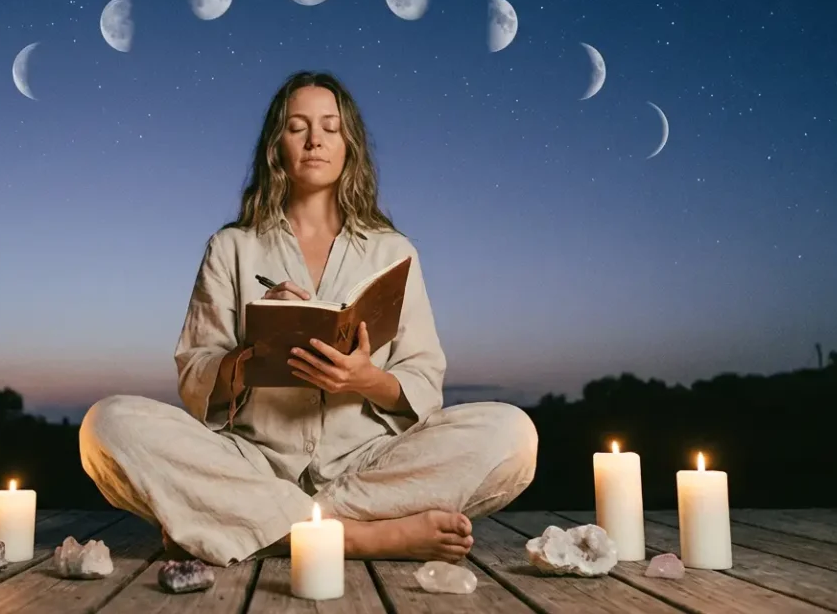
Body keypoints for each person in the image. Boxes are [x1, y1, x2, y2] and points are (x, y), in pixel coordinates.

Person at [80, 70, 538, 567]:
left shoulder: (394, 251)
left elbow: (424, 381)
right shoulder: (232, 246)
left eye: (330, 127)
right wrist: (251, 354)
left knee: (512, 435)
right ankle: (358, 538)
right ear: (277, 144)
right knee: (107, 425)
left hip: (367, 465)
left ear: (350, 145)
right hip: (251, 461)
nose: (314, 139)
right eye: (297, 126)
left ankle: (235, 523)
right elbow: (195, 374)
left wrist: (365, 379)